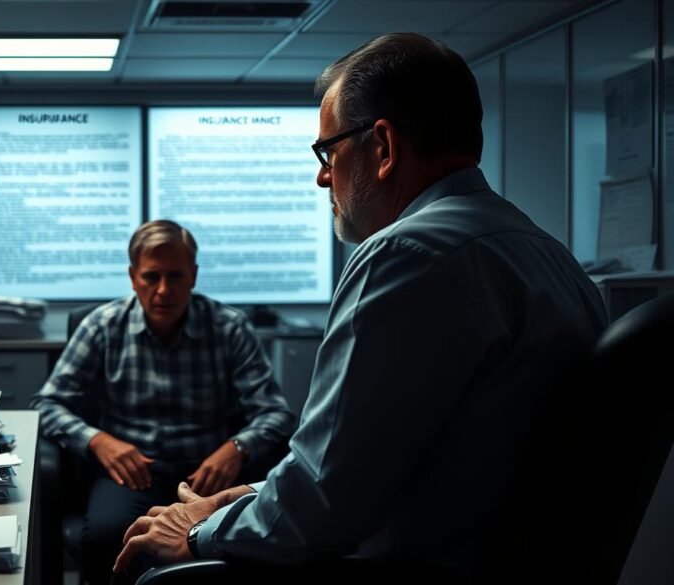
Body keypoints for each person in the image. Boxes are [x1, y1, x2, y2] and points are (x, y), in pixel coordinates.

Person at [114, 33, 608, 581]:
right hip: (501, 555)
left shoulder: (404, 254)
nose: (323, 176)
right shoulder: (546, 252)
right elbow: (382, 459)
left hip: (408, 561)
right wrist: (247, 495)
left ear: (383, 147)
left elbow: (323, 504)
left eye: (328, 152)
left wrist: (195, 531)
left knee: (157, 575)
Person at [30, 219, 295, 585]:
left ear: (194, 275)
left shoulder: (229, 327)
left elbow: (275, 412)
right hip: (133, 472)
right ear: (132, 276)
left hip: (208, 473)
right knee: (107, 537)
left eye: (176, 276)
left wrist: (236, 448)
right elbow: (47, 404)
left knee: (231, 543)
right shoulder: (103, 326)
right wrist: (97, 440)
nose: (163, 290)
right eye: (151, 277)